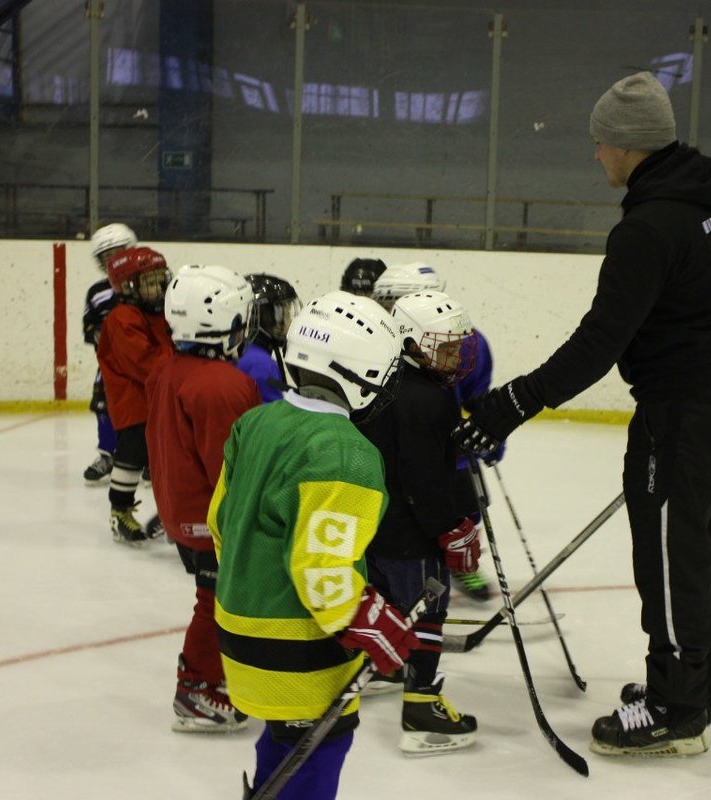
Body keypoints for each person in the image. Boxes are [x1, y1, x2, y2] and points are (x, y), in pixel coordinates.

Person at [453, 71, 711, 757]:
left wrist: (510, 403)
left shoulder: (647, 229)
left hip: (682, 415)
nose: (597, 156)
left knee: (670, 561)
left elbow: (598, 345)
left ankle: (674, 708)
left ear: (628, 146)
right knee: (701, 549)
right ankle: (690, 687)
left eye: (601, 144)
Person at [208, 290, 413, 800]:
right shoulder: (347, 455)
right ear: (361, 373)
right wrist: (362, 616)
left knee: (285, 737)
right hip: (298, 652)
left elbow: (219, 524)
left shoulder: (255, 422)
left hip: (236, 627)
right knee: (320, 748)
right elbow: (321, 570)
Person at [357, 290, 481, 754]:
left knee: (388, 604)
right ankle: (421, 708)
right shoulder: (432, 400)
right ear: (410, 343)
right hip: (414, 537)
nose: (453, 355)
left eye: (454, 345)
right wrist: (452, 527)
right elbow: (425, 479)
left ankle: (385, 666)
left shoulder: (382, 381)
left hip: (377, 529)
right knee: (429, 613)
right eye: (443, 346)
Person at [145, 265, 261, 733]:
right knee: (213, 599)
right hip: (209, 518)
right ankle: (195, 690)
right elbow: (232, 467)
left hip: (181, 511)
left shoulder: (167, 369)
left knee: (215, 595)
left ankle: (216, 676)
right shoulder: (224, 385)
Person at [373, 262, 497, 603]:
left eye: (393, 300)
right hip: (394, 450)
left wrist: (489, 428)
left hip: (445, 449)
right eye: (384, 301)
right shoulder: (376, 341)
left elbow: (476, 395)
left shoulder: (461, 340)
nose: (386, 309)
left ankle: (460, 566)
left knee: (462, 507)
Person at [95, 245, 174, 545]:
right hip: (134, 404)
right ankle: (120, 511)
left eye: (159, 280)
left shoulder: (158, 312)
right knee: (132, 455)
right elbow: (146, 363)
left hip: (157, 400)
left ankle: (172, 511)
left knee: (167, 458)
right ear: (128, 286)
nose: (158, 288)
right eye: (149, 283)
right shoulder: (122, 319)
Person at [82, 223, 137, 485]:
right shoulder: (97, 293)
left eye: (117, 254)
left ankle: (148, 457)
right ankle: (107, 455)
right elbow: (89, 328)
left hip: (145, 363)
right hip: (110, 366)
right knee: (103, 406)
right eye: (106, 257)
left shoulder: (149, 284)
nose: (112, 262)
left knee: (150, 408)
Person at [237, 273, 301, 402]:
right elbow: (272, 418)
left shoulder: (245, 350)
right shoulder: (261, 363)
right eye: (286, 315)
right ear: (266, 317)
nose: (289, 322)